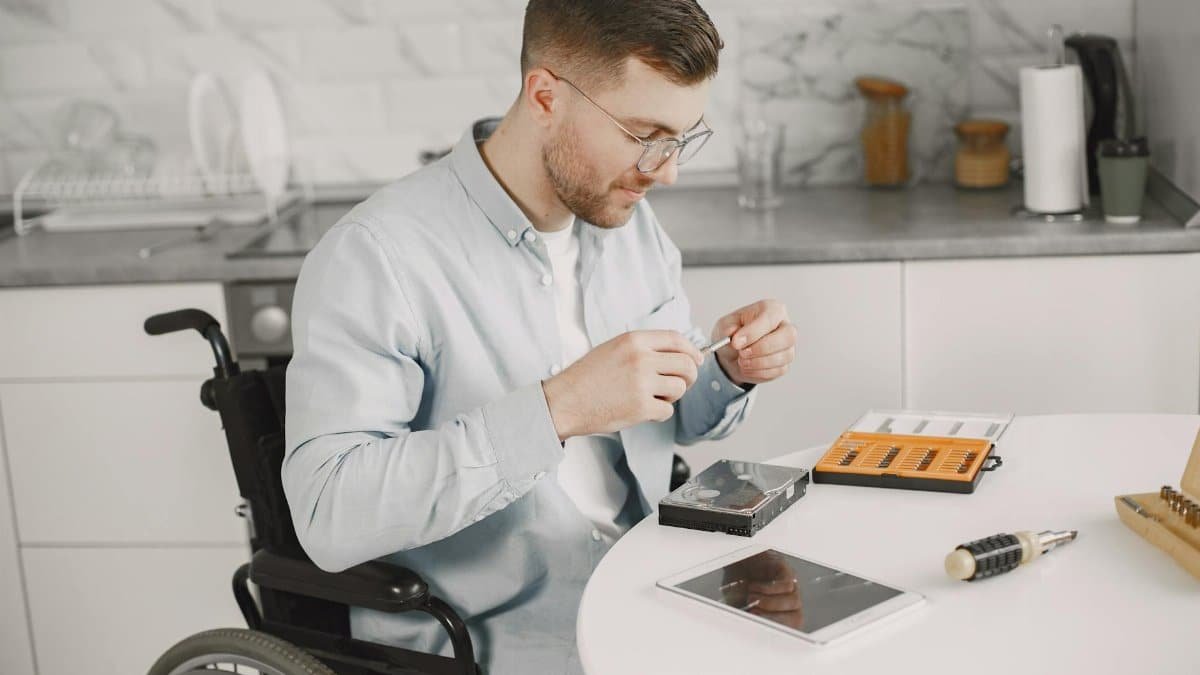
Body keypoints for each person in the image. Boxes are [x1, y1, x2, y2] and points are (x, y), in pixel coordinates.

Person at [283, 1, 798, 672]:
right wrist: (557, 410)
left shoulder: (629, 226)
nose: (667, 171)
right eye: (646, 134)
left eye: (680, 139)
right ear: (546, 96)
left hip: (647, 584)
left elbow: (676, 418)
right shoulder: (377, 255)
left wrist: (729, 368)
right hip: (500, 639)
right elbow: (329, 514)